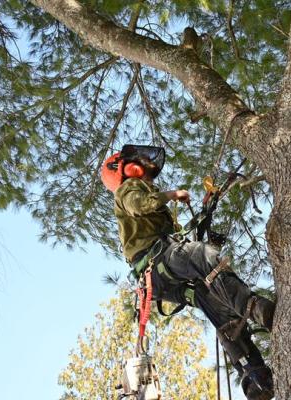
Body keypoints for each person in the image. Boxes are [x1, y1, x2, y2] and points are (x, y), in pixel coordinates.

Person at [101, 144, 275, 400]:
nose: (148, 163)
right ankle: (254, 308)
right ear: (128, 168)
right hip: (156, 264)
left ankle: (255, 376)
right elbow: (139, 205)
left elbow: (177, 244)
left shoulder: (148, 201)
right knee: (200, 255)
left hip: (160, 277)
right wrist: (171, 195)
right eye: (140, 161)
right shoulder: (129, 190)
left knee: (214, 301)